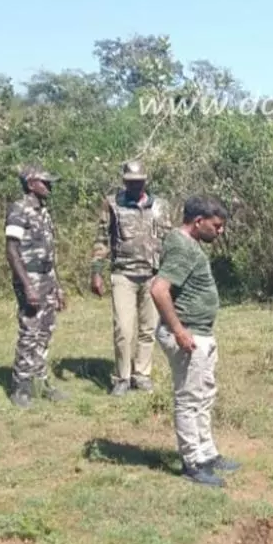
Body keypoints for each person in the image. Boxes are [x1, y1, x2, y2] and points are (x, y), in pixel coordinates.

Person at [150, 195, 237, 487]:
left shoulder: (189, 244)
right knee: (189, 399)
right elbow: (159, 290)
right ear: (198, 222)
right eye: (217, 226)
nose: (220, 231)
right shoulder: (182, 248)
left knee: (203, 395)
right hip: (188, 334)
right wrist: (179, 331)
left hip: (200, 331)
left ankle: (207, 453)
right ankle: (192, 462)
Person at [90, 160, 176, 396]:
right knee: (123, 329)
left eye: (138, 182)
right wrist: (96, 271)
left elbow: (169, 240)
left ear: (145, 181)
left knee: (149, 329)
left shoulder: (160, 206)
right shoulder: (112, 205)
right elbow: (102, 239)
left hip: (153, 274)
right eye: (130, 182)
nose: (135, 186)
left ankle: (142, 374)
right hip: (123, 274)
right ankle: (122, 377)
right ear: (124, 182)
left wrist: (172, 275)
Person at [5, 165, 67, 408]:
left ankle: (40, 380)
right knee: (30, 332)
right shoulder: (19, 210)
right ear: (31, 184)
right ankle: (21, 386)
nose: (49, 186)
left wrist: (57, 286)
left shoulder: (44, 211)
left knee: (45, 331)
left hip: (47, 278)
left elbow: (49, 254)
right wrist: (27, 286)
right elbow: (11, 250)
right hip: (29, 279)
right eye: (45, 181)